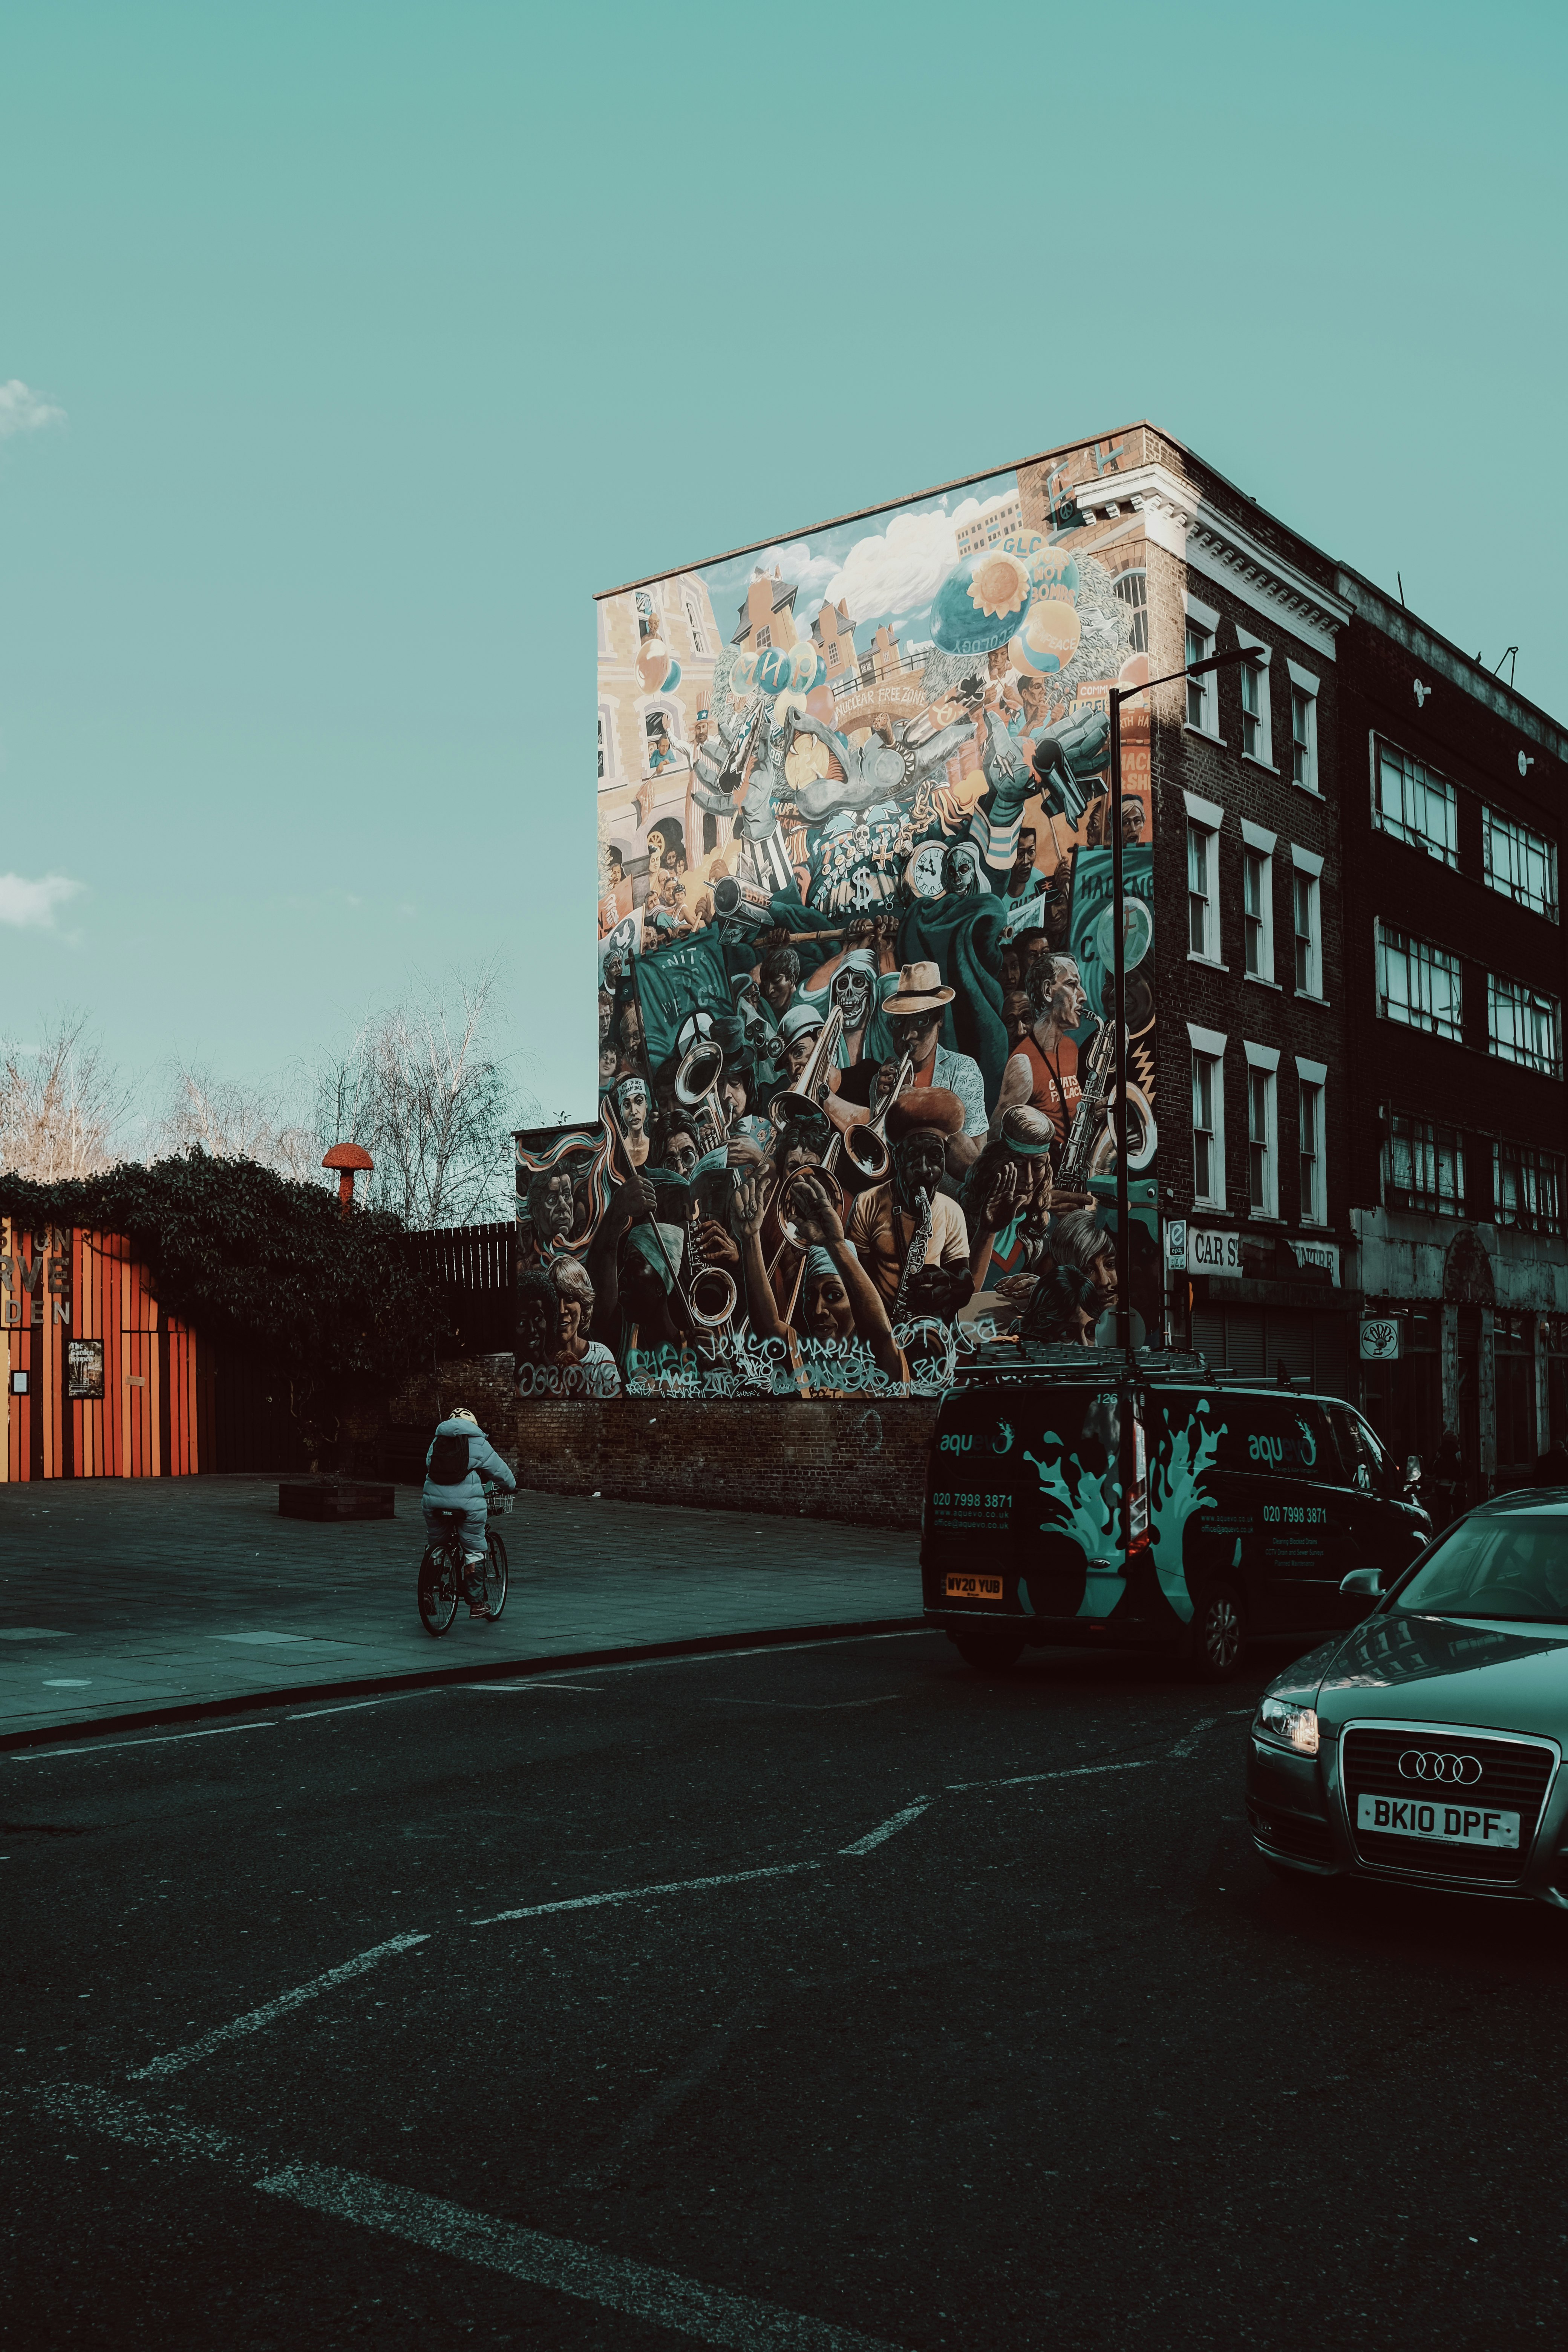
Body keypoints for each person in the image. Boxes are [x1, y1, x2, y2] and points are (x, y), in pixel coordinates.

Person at [732, 1168, 907, 1393]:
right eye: (810, 1296)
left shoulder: (879, 1360)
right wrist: (750, 1239)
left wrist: (835, 1243)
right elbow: (768, 1326)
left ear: (857, 1302)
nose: (818, 1310)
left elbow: (880, 1333)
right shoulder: (804, 1357)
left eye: (834, 1296)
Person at [827, 961, 988, 1176]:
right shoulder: (883, 1078)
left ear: (940, 1018)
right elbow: (882, 1158)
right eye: (899, 1023)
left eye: (920, 1021)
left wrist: (922, 1106)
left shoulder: (963, 1069)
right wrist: (880, 1103)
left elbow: (973, 1165)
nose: (907, 1035)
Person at [846, 1091, 974, 1318]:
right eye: (913, 1155)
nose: (924, 1169)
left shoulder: (952, 1211)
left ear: (945, 1158)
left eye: (935, 1156)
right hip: (879, 1325)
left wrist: (959, 1287)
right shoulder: (867, 1203)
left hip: (927, 1330)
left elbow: (961, 1273)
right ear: (897, 1157)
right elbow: (855, 1278)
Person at [423, 1405, 517, 1620]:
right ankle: (476, 1604)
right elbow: (500, 1471)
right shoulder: (479, 1443)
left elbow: (429, 1465)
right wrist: (511, 1486)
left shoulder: (438, 1440)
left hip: (433, 1503)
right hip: (467, 1507)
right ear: (472, 1424)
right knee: (474, 1548)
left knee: (436, 1544)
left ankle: (428, 1590)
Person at [991, 951, 1090, 1151]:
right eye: (1072, 985)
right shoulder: (1022, 1062)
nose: (1083, 996)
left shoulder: (1071, 1048)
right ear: (1048, 991)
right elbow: (995, 1136)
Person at [962, 1105, 1056, 1289]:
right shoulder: (961, 1218)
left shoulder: (1050, 1228)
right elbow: (963, 1296)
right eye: (1019, 1165)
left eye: (1038, 1165)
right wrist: (987, 1230)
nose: (1028, 1179)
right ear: (997, 1164)